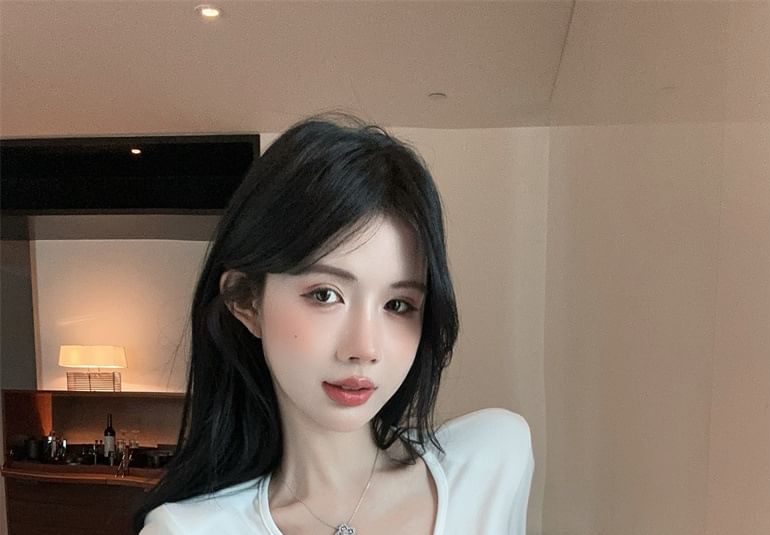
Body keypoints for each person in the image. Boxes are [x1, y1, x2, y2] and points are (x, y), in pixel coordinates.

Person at [135, 114, 534, 534]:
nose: (364, 348)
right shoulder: (188, 529)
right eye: (325, 295)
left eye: (398, 305)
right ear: (247, 302)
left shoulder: (491, 464)